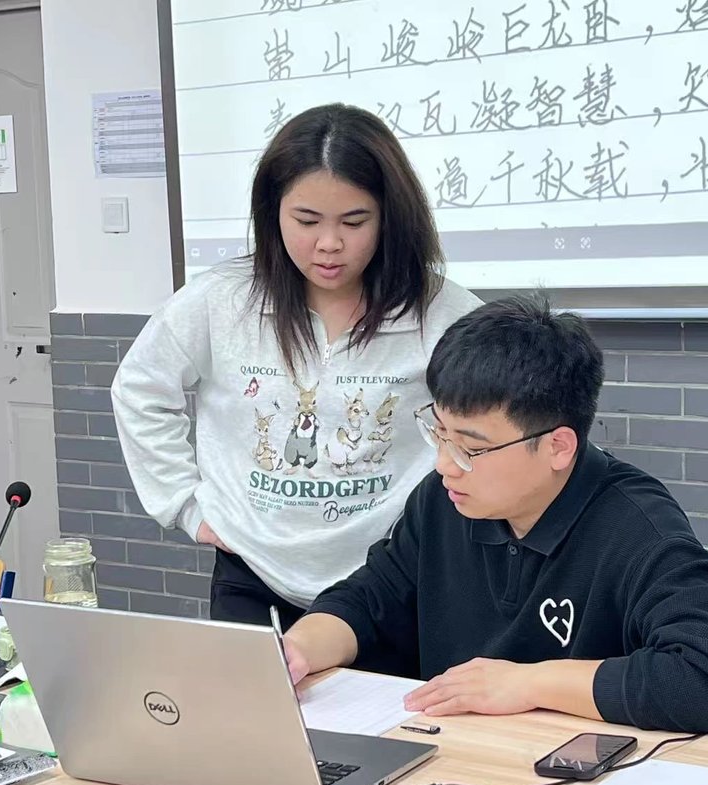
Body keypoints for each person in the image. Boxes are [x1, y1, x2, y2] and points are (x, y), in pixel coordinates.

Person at [282, 297, 708, 736]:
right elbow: (371, 600)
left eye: (471, 447)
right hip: (458, 762)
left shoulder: (637, 528)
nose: (445, 464)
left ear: (558, 447)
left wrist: (530, 683)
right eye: (439, 433)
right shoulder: (444, 500)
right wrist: (297, 649)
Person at [112, 103, 480, 627]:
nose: (329, 244)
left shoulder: (442, 312)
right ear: (273, 212)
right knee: (253, 710)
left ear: (390, 218)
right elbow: (140, 388)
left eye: (354, 221)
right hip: (254, 571)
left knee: (385, 712)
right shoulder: (223, 301)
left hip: (392, 576)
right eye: (306, 220)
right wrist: (185, 507)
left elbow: (497, 419)